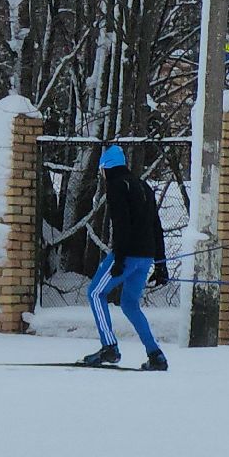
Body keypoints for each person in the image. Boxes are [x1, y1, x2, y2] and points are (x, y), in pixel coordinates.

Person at [81, 144, 171, 370]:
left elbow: (121, 224)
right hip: (146, 256)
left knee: (95, 293)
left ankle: (109, 347)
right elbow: (156, 227)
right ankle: (155, 355)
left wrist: (119, 258)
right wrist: (161, 264)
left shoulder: (116, 186)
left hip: (127, 254)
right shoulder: (143, 186)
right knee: (130, 304)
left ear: (105, 169)